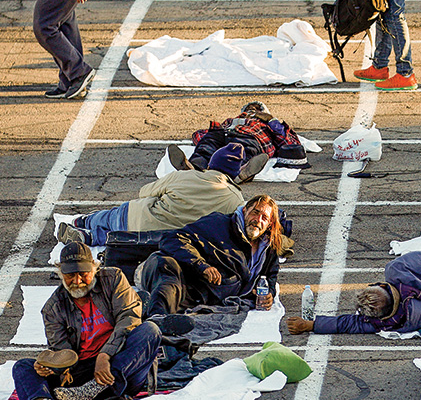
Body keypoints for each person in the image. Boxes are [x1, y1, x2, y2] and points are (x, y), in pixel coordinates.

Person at [12, 242, 161, 400]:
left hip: (120, 369)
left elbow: (129, 319)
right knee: (23, 366)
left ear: (95, 268)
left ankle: (94, 388)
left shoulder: (113, 279)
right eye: (70, 275)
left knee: (150, 330)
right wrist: (51, 367)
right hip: (81, 376)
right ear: (60, 273)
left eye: (83, 274)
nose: (77, 281)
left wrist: (105, 355)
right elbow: (63, 352)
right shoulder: (53, 309)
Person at [56, 143, 249, 247]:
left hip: (136, 217)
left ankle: (83, 222)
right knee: (118, 238)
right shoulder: (236, 200)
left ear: (211, 164)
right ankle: (89, 237)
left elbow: (144, 192)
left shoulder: (183, 177)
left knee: (113, 216)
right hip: (165, 240)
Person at [140, 195, 285, 317]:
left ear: (270, 224)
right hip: (182, 278)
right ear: (245, 210)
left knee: (175, 304)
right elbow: (173, 238)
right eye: (255, 212)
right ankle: (157, 318)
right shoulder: (218, 223)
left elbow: (270, 276)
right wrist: (202, 266)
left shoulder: (268, 247)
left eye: (264, 218)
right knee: (167, 271)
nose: (257, 220)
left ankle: (152, 309)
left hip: (203, 298)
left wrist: (269, 294)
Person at [287, 248, 421, 336]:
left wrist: (312, 325)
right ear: (382, 285)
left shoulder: (396, 323)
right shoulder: (399, 270)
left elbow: (350, 324)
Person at [167, 101, 306, 176]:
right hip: (224, 133)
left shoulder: (266, 124)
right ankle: (193, 168)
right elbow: (198, 136)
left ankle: (238, 172)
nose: (252, 110)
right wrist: (210, 134)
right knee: (206, 146)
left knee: (240, 150)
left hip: (250, 137)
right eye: (249, 108)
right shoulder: (230, 121)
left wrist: (271, 120)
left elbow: (289, 143)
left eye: (257, 109)